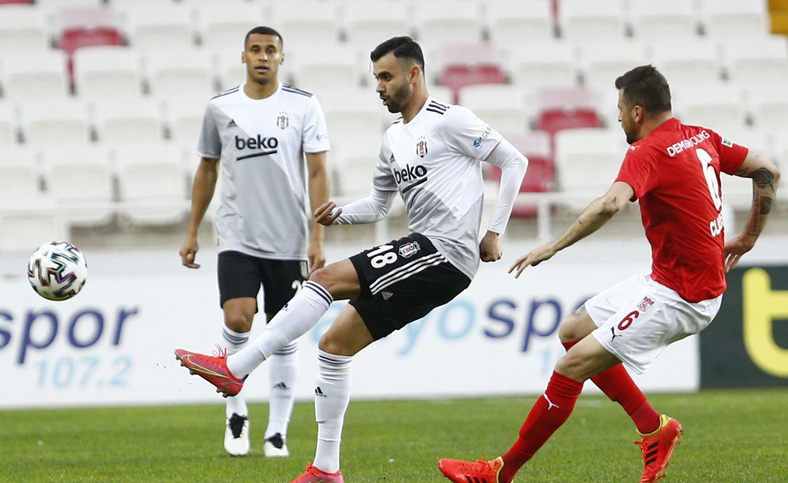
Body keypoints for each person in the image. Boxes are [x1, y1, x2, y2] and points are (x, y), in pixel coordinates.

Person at [175, 36, 528, 482]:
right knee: (335, 345)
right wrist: (338, 214)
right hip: (425, 252)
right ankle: (326, 470)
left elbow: (515, 162)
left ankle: (237, 368)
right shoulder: (393, 139)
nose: (378, 87)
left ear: (413, 74)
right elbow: (379, 206)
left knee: (327, 277)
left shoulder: (450, 120)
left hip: (444, 251)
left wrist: (493, 231)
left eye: (386, 76)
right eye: (375, 78)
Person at [438, 64, 780, 483]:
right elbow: (767, 170)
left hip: (684, 296)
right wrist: (748, 237)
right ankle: (654, 428)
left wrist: (552, 246)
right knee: (572, 331)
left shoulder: (646, 151)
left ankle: (499, 473)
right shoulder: (702, 136)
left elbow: (610, 204)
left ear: (637, 111)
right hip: (665, 277)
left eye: (619, 109)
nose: (617, 117)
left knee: (570, 365)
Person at [177, 26, 330, 458]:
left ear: (282, 58)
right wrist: (192, 232)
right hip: (237, 235)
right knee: (240, 318)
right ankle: (236, 410)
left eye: (271, 51)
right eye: (255, 50)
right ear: (242, 56)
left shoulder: (303, 106)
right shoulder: (221, 108)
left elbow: (318, 172)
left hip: (290, 241)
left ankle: (277, 432)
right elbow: (206, 170)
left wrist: (317, 237)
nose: (263, 56)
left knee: (283, 336)